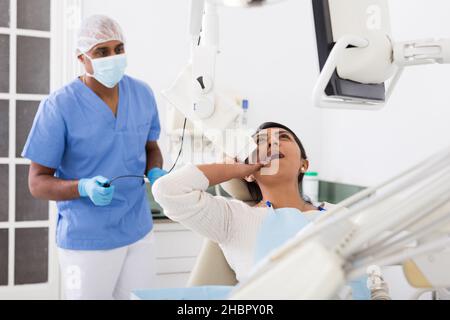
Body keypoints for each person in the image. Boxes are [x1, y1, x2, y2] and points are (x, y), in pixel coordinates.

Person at [22, 15, 167, 300]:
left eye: (119, 49)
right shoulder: (59, 106)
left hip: (137, 230)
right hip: (87, 238)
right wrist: (83, 187)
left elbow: (151, 147)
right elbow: (37, 183)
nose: (112, 57)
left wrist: (155, 172)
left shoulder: (142, 93)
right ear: (82, 57)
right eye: (101, 51)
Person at [152, 122, 370, 299]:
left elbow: (370, 276)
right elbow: (167, 190)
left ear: (304, 164)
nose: (273, 143)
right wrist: (235, 169)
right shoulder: (234, 219)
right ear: (249, 172)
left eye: (283, 137)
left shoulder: (337, 213)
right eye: (260, 142)